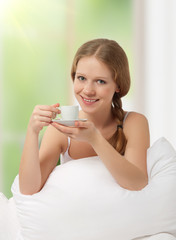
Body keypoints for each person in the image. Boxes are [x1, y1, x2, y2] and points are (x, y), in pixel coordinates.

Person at [19, 38, 150, 195]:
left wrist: (94, 138)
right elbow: (28, 189)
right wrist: (32, 131)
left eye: (100, 81)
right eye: (81, 78)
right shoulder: (61, 130)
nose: (88, 90)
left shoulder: (134, 123)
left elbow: (138, 183)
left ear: (118, 85)